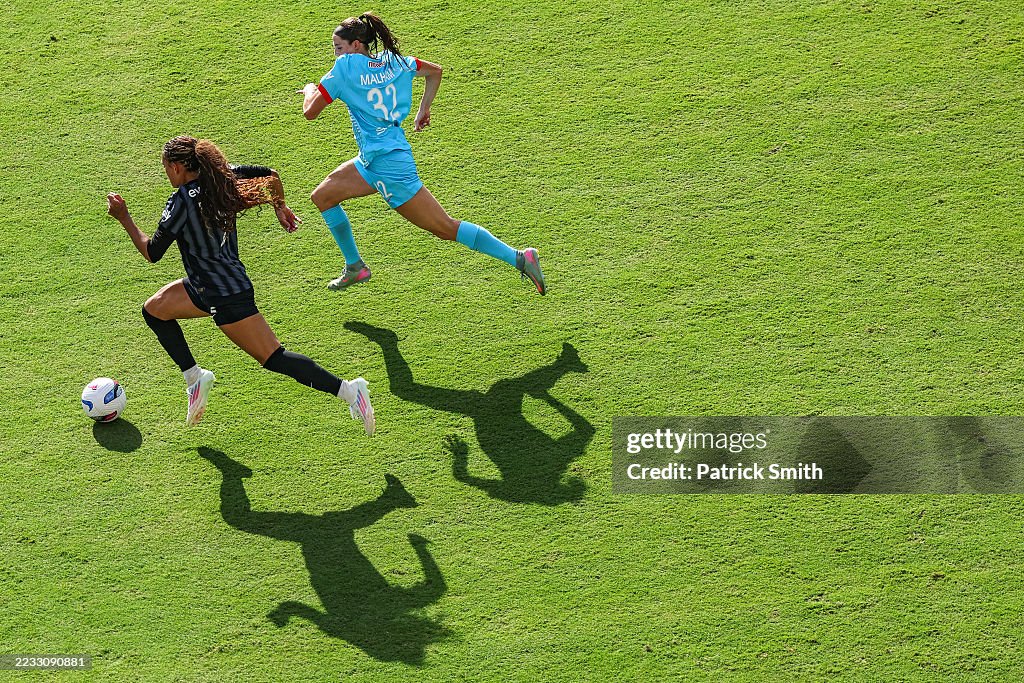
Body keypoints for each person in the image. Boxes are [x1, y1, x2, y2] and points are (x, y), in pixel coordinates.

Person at [105, 135, 375, 433]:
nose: (166, 173)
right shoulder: (223, 178)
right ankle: (195, 378)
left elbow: (151, 252)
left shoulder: (181, 201)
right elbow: (270, 175)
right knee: (154, 310)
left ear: (178, 167)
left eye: (166, 167)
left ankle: (351, 391)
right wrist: (280, 207)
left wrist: (124, 216)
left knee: (274, 357)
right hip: (208, 285)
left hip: (225, 296)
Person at [299, 12, 547, 295]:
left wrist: (310, 89)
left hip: (388, 167)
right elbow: (435, 71)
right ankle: (355, 267)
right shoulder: (395, 61)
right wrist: (423, 109)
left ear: (356, 45)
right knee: (323, 196)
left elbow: (310, 111)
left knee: (444, 227)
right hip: (375, 158)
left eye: (338, 47)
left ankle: (519, 257)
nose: (336, 53)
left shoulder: (344, 68)